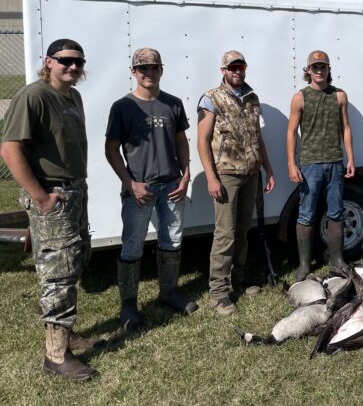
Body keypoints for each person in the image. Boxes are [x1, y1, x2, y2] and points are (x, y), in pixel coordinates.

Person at [0, 39, 100, 380]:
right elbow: (10, 149)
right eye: (66, 61)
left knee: (74, 261)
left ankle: (66, 334)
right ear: (49, 62)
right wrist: (41, 197)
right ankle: (56, 356)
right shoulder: (35, 95)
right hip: (52, 195)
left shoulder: (73, 97)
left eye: (79, 62)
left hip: (74, 192)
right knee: (58, 272)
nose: (73, 67)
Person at [105, 48, 198, 333]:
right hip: (139, 190)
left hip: (171, 186)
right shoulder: (123, 106)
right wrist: (129, 183)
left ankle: (168, 293)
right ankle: (129, 304)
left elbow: (181, 141)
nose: (148, 73)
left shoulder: (172, 104)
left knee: (172, 240)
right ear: (133, 72)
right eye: (142, 68)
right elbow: (111, 150)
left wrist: (185, 176)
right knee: (132, 245)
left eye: (154, 68)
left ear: (161, 70)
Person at [197, 51, 275, 316]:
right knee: (225, 233)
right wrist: (211, 177)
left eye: (240, 67)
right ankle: (218, 293)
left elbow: (258, 137)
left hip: (251, 172)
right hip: (226, 174)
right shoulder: (212, 98)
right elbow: (202, 140)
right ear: (223, 70)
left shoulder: (252, 98)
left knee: (242, 230)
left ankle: (237, 282)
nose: (237, 72)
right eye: (232, 68)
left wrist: (268, 168)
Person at [287, 50, 355, 281]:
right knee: (306, 214)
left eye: (323, 67)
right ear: (308, 70)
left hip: (335, 163)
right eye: (314, 67)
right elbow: (291, 132)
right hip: (310, 165)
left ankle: (337, 259)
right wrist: (291, 163)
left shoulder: (340, 96)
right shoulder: (300, 97)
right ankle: (305, 265)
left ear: (328, 69)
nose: (319, 71)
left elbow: (346, 128)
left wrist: (351, 158)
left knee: (336, 212)